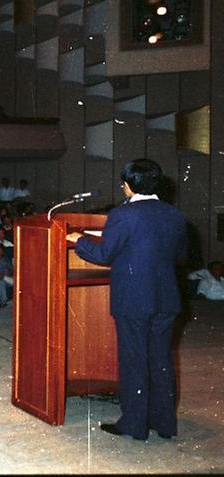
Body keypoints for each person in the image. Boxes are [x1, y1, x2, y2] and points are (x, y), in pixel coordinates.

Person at [66, 158, 187, 440]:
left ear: (130, 185)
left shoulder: (123, 215)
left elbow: (103, 254)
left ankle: (134, 425)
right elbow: (180, 255)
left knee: (134, 361)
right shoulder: (175, 214)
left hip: (133, 300)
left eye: (123, 182)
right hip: (166, 298)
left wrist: (76, 239)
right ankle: (165, 424)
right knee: (161, 361)